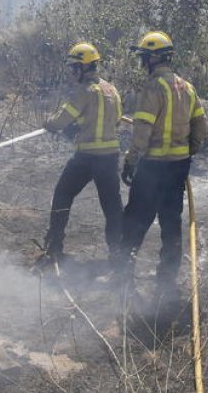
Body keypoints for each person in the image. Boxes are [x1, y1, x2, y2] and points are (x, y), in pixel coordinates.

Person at [118, 30, 208, 295]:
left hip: (153, 167)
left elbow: (142, 130)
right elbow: (201, 124)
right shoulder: (187, 87)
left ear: (153, 59)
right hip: (178, 167)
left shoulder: (153, 88)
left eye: (144, 57)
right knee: (171, 222)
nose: (142, 62)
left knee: (136, 219)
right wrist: (189, 151)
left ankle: (123, 273)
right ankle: (166, 280)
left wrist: (131, 161)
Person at [39, 41, 125, 267]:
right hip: (110, 157)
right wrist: (81, 125)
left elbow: (60, 121)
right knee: (112, 206)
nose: (71, 72)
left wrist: (49, 124)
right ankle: (119, 253)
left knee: (62, 195)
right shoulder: (112, 90)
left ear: (83, 67)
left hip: (87, 157)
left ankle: (54, 247)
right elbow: (116, 120)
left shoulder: (83, 92)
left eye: (73, 68)